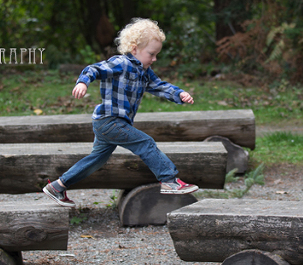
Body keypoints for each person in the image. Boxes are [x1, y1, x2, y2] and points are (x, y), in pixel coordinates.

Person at [43, 17, 199, 207]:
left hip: (112, 124)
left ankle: (57, 186)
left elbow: (159, 86)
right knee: (145, 143)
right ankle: (169, 180)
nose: (154, 59)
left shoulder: (145, 71)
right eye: (151, 54)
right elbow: (94, 69)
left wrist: (179, 93)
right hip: (110, 121)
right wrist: (83, 82)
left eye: (156, 54)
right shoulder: (120, 63)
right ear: (135, 49)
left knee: (96, 160)